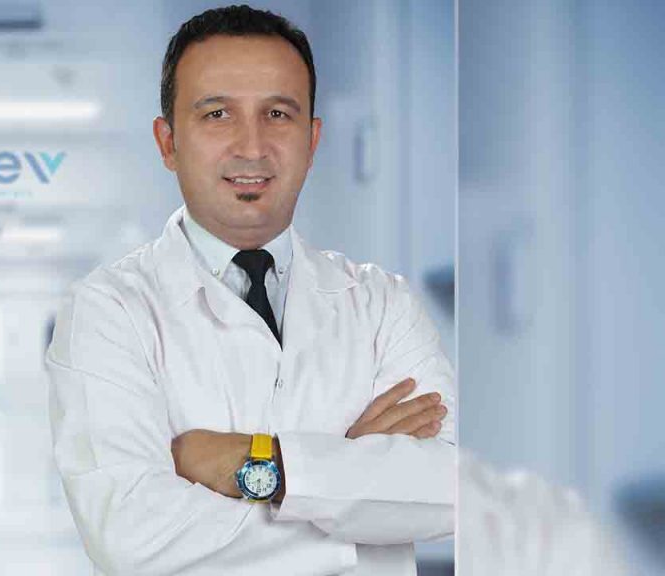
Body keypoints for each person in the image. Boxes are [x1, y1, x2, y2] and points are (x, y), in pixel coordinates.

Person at [46, 5, 455, 574]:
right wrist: (353, 499)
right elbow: (131, 535)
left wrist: (265, 465)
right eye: (217, 114)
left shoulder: (382, 303)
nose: (252, 146)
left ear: (312, 139)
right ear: (168, 142)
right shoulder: (108, 310)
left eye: (278, 114)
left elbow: (450, 487)